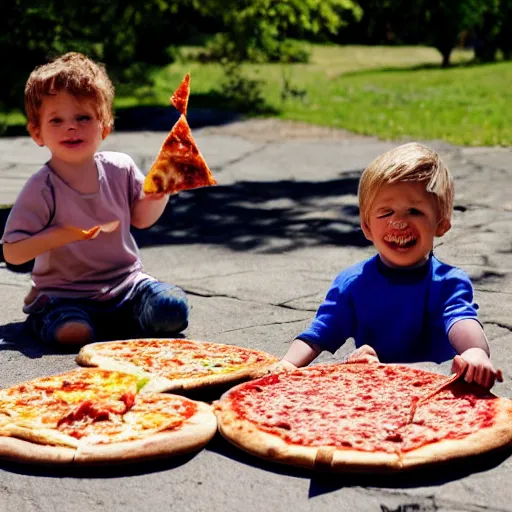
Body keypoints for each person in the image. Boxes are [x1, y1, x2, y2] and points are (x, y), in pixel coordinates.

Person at [1, 52, 189, 346]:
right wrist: (59, 235)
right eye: (57, 120)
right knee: (72, 332)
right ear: (37, 132)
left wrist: (160, 192)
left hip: (127, 284)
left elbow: (142, 219)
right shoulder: (42, 187)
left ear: (105, 125)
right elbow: (12, 253)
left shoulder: (120, 168)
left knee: (172, 309)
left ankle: (122, 317)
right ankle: (52, 320)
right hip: (63, 294)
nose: (71, 127)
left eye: (83, 117)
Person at [279, 142, 501, 389]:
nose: (399, 222)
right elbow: (318, 334)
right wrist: (287, 365)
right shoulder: (353, 284)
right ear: (366, 227)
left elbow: (462, 321)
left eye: (414, 211)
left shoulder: (448, 283)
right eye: (386, 213)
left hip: (439, 394)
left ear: (441, 223)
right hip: (373, 392)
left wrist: (474, 353)